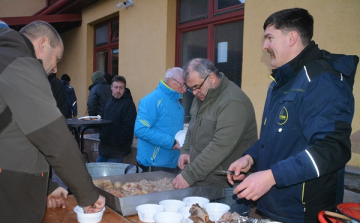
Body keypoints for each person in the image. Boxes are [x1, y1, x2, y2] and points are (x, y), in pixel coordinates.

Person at [226, 8, 358, 223]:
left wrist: (271, 176)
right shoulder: (282, 82)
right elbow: (279, 139)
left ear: (292, 38)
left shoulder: (322, 80)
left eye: (270, 38)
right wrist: (250, 157)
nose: (264, 46)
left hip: (305, 213)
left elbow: (333, 148)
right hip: (275, 206)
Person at [0, 20, 105, 223]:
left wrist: (46, 187)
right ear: (43, 44)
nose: (56, 69)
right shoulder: (20, 63)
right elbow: (56, 140)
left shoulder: (6, 58)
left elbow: (13, 132)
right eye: (57, 58)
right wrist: (88, 195)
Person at [171, 58, 258, 215]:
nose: (195, 93)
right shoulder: (202, 96)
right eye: (191, 89)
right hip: (204, 181)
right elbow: (192, 126)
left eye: (196, 87)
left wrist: (189, 175)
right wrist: (185, 150)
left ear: (211, 77)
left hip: (228, 187)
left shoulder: (233, 101)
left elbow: (220, 145)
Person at [135, 67, 186, 173]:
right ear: (171, 81)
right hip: (153, 166)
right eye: (183, 85)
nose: (184, 90)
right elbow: (140, 130)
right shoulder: (151, 100)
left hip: (173, 165)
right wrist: (171, 143)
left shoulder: (178, 106)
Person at [96, 75, 137, 163]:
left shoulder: (129, 105)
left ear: (125, 89)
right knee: (96, 174)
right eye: (116, 87)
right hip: (104, 148)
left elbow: (128, 127)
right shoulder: (108, 102)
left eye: (121, 88)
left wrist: (118, 142)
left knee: (111, 176)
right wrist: (102, 136)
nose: (118, 91)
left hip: (117, 150)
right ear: (111, 87)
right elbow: (102, 121)